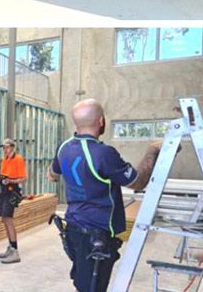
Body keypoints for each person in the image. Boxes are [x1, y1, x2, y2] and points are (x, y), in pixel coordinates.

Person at [48, 98, 162, 292]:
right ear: (101, 121)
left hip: (74, 228)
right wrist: (153, 151)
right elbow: (137, 182)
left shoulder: (64, 148)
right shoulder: (103, 154)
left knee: (84, 284)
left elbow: (51, 175)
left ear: (76, 123)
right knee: (93, 287)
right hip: (97, 234)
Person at [0, 137, 27, 264]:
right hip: (4, 191)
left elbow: (23, 178)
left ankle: (15, 251)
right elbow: (4, 176)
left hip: (12, 191)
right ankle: (11, 246)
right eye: (3, 148)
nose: (5, 150)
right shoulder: (4, 160)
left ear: (12, 147)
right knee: (4, 219)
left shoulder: (18, 159)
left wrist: (11, 181)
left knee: (8, 219)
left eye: (7, 147)